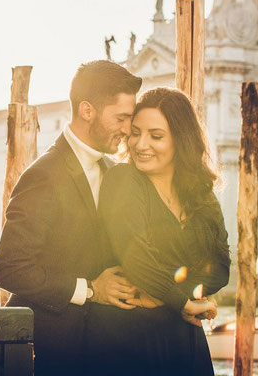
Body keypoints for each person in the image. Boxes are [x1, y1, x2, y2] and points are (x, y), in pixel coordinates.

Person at [0, 60, 142, 375]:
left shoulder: (115, 171)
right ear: (87, 110)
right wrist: (89, 289)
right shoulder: (43, 176)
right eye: (121, 118)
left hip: (106, 351)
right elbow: (9, 269)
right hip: (49, 354)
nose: (128, 129)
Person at [87, 87, 230, 375]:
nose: (141, 144)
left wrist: (166, 298)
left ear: (181, 139)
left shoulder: (201, 194)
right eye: (136, 132)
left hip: (184, 338)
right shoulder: (124, 179)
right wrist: (182, 301)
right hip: (126, 341)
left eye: (156, 136)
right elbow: (136, 256)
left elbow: (221, 268)